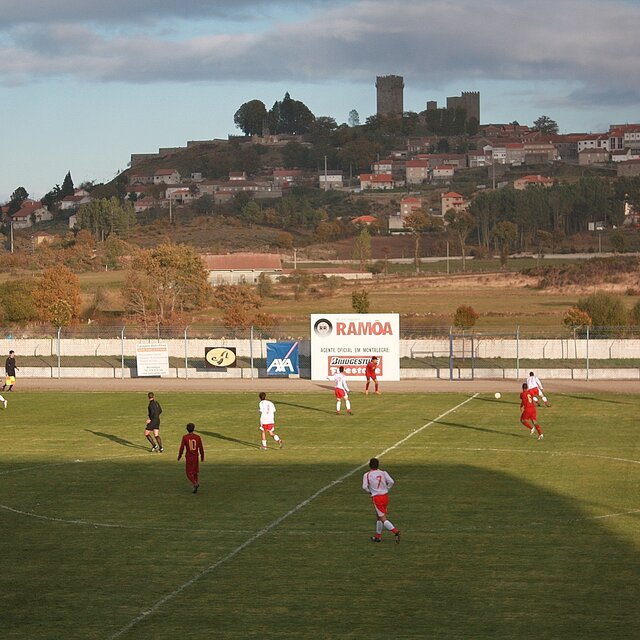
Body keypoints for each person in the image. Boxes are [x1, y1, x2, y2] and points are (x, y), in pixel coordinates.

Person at [362, 457, 401, 544]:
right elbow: (391, 481)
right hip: (385, 496)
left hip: (377, 497)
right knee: (378, 516)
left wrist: (370, 491)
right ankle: (378, 536)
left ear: (369, 465)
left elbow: (364, 487)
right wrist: (387, 488)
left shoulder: (367, 475)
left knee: (382, 518)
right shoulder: (383, 473)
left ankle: (396, 532)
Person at [178, 423, 205, 493]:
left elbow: (182, 448)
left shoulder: (185, 437)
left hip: (189, 457)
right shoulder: (197, 437)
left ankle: (195, 483)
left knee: (188, 472)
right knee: (195, 472)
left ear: (187, 429)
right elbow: (201, 448)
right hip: (196, 457)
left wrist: (180, 455)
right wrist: (202, 456)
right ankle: (195, 486)